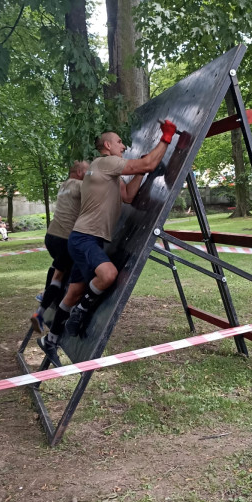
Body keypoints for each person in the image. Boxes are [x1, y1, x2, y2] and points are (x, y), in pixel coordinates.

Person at [37, 120, 177, 365]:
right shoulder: (105, 162)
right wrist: (166, 138)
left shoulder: (103, 171)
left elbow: (128, 196)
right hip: (84, 238)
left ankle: (49, 340)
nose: (123, 146)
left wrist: (141, 172)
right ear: (108, 145)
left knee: (74, 291)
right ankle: (79, 313)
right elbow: (148, 162)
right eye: (120, 142)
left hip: (85, 238)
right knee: (108, 274)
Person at [31, 161, 89, 334]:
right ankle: (41, 312)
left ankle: (47, 293)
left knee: (59, 267)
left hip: (51, 236)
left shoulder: (63, 185)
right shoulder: (81, 186)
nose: (91, 174)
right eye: (88, 171)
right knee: (59, 275)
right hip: (65, 238)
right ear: (79, 172)